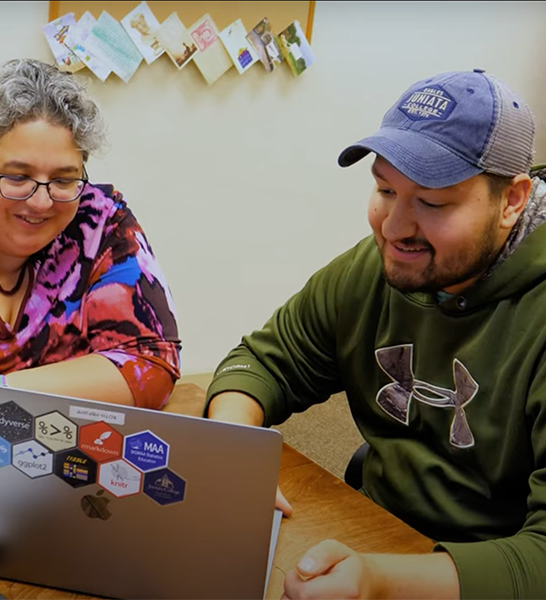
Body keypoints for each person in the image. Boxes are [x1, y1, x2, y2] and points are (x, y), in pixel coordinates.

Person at [204, 68, 546, 599]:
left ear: (513, 200)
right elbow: (265, 362)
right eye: (385, 189)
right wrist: (235, 448)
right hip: (375, 531)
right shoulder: (380, 265)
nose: (393, 227)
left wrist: (380, 580)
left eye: (432, 203)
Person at [0, 58, 180, 409]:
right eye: (18, 176)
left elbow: (150, 364)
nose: (41, 202)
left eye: (63, 179)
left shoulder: (99, 222)